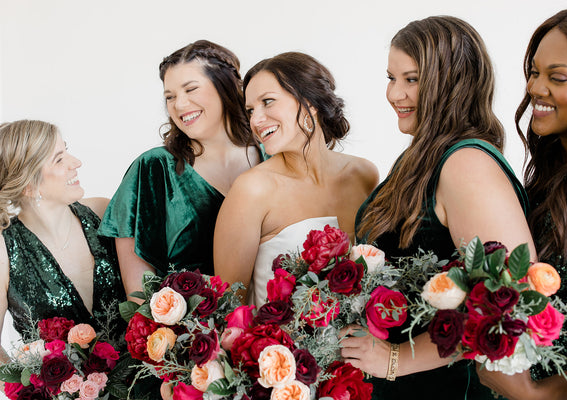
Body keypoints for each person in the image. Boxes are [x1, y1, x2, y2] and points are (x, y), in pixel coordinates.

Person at [339, 16, 535, 400]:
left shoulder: (466, 164)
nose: (395, 94)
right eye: (391, 77)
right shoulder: (421, 156)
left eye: (411, 79)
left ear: (453, 82)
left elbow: (511, 303)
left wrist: (396, 358)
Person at [477, 4, 567, 399]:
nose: (535, 89)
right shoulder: (557, 174)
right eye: (534, 72)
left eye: (557, 77)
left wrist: (535, 395)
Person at [98, 40, 263, 300]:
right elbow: (138, 294)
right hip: (187, 334)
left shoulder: (271, 157)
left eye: (191, 89)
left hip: (274, 328)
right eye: (170, 96)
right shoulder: (154, 167)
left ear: (226, 87)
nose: (179, 104)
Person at [213, 52, 379, 307]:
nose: (256, 120)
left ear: (310, 102)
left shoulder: (364, 174)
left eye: (268, 102)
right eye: (250, 110)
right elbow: (229, 308)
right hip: (281, 346)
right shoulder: (252, 190)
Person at [0, 120, 126, 363]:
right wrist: (31, 389)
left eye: (66, 149)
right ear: (28, 185)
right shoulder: (5, 250)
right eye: (59, 159)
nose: (76, 163)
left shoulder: (103, 212)